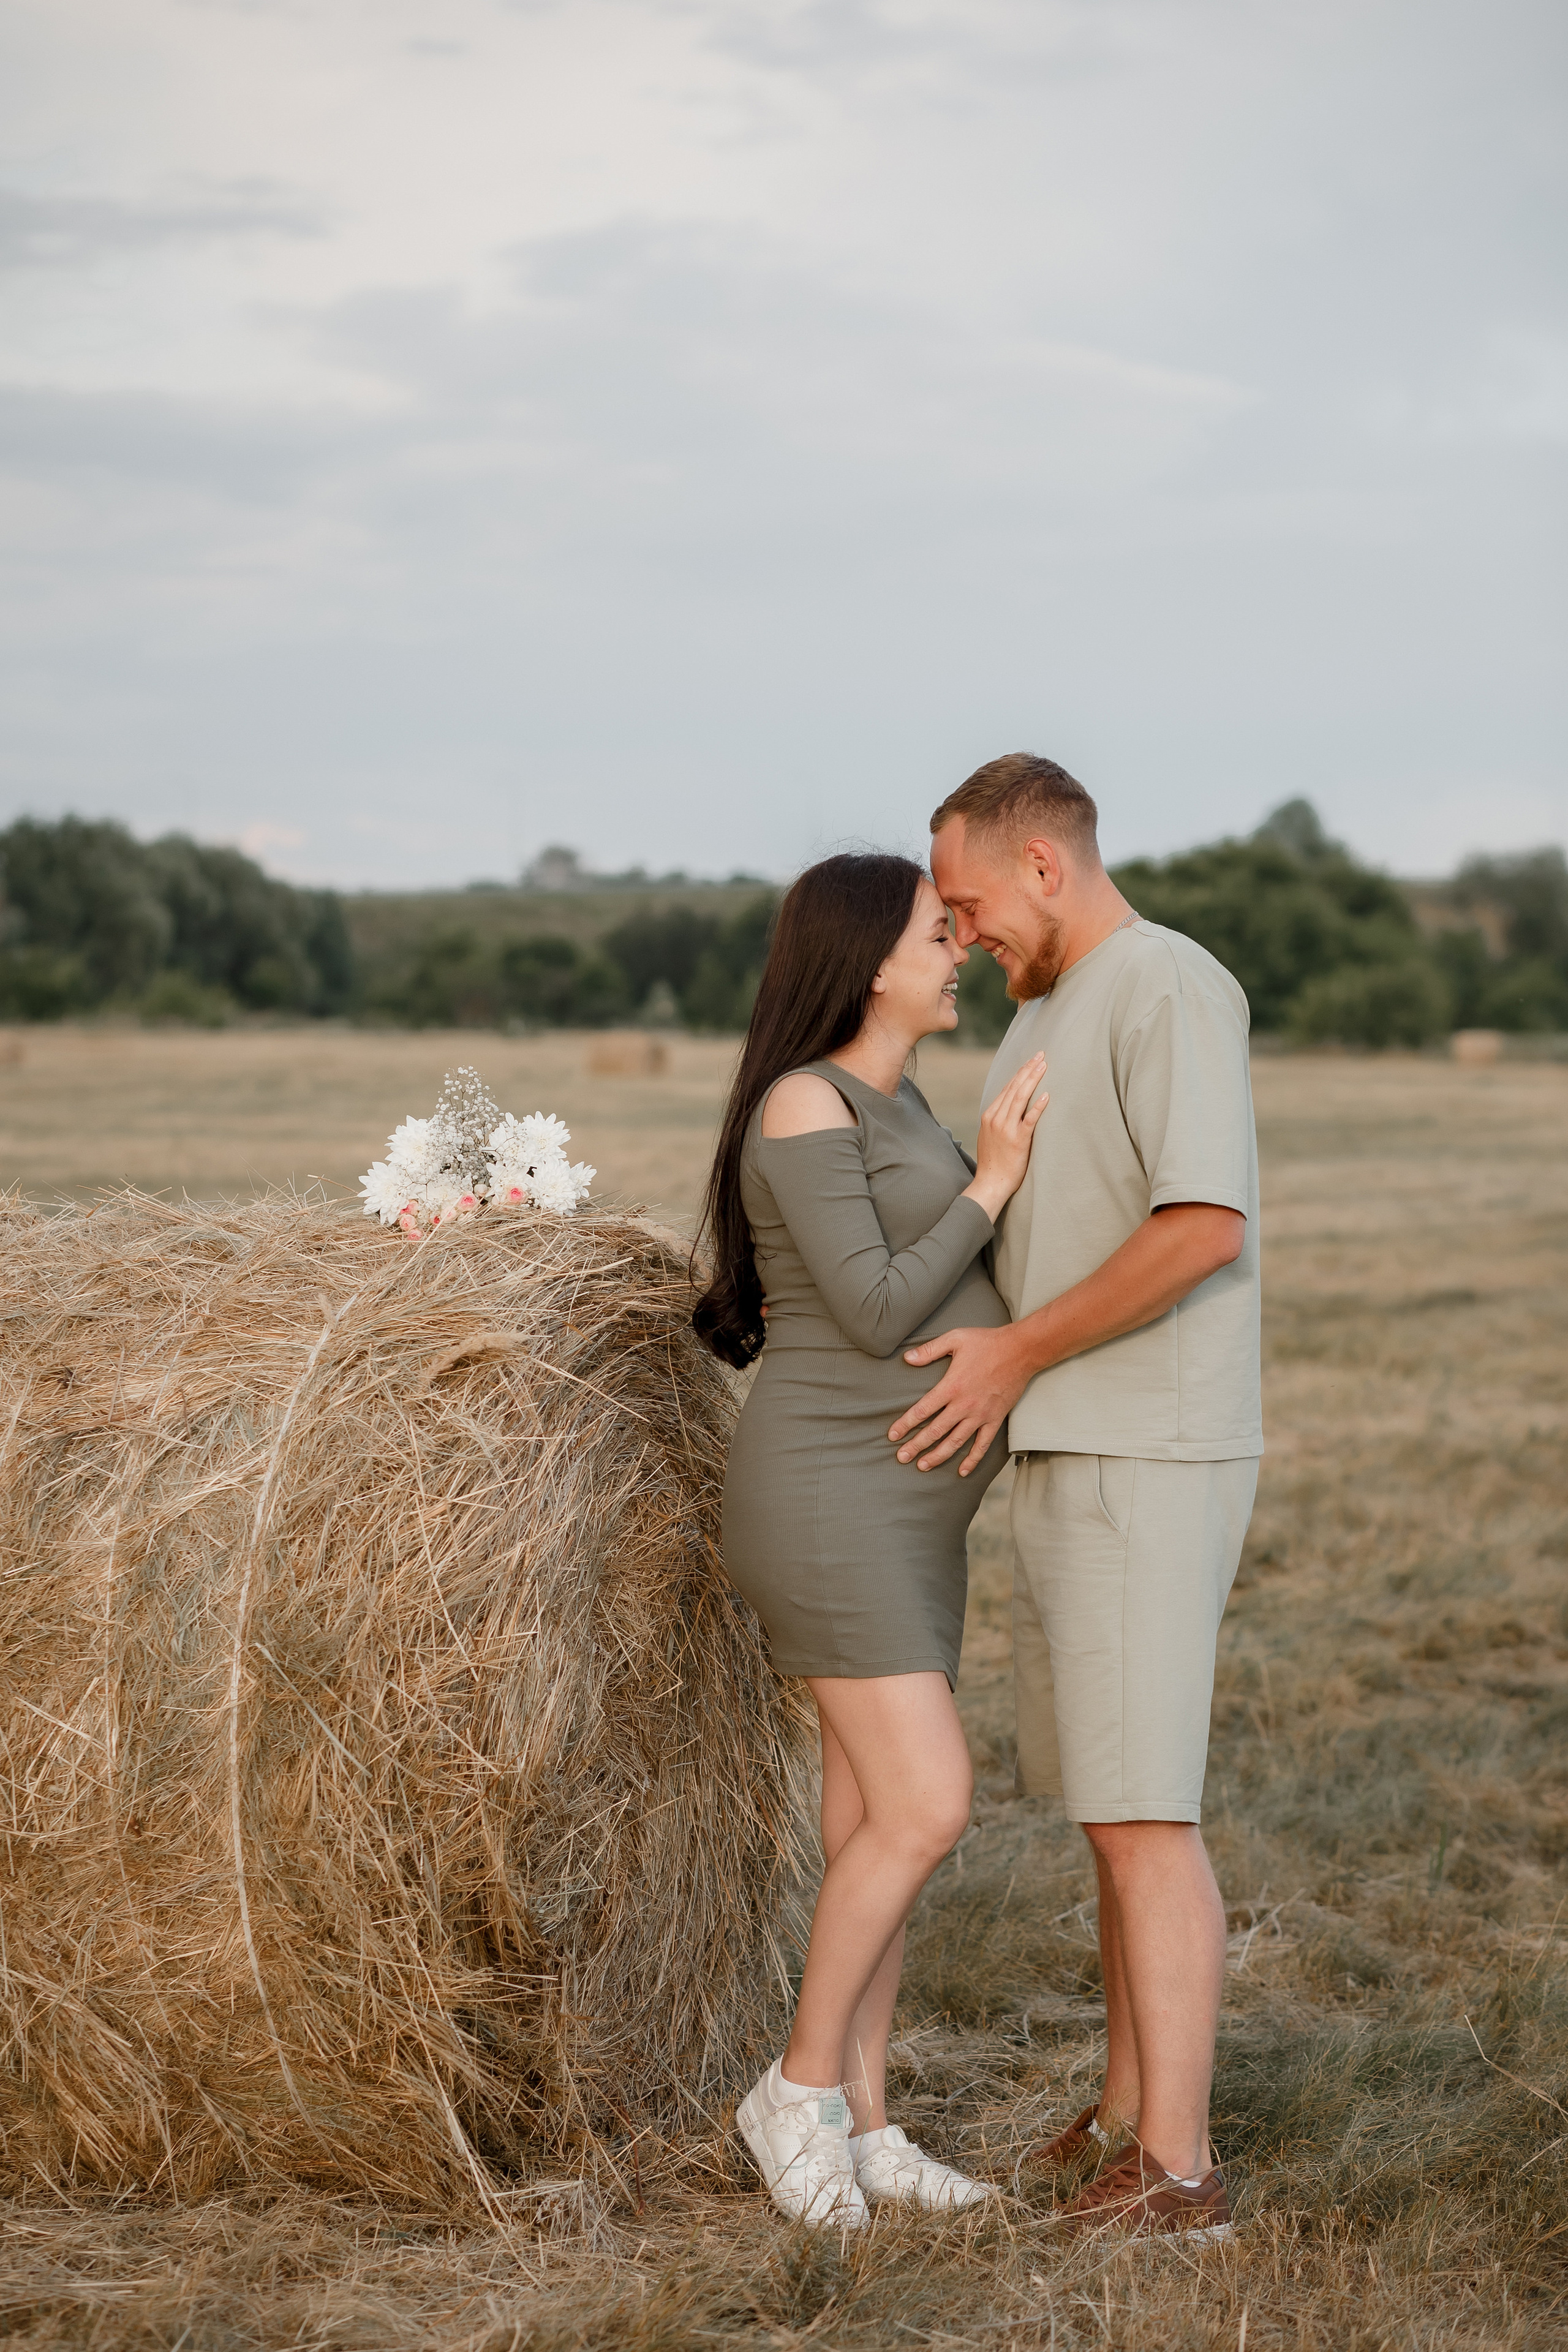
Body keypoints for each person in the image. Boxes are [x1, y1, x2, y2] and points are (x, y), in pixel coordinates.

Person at [891, 752, 1261, 2245]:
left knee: (1144, 1818)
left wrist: (1015, 1353)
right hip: (1066, 1444)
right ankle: (1122, 2118)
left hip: (1142, 1449)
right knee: (1108, 1807)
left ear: (1041, 865)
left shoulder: (1166, 984)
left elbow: (1202, 1228)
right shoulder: (1049, 1009)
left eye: (971, 904)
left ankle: (1174, 2175)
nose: (963, 935)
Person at [693, 850, 1049, 2229]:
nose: (956, 945)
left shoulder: (895, 1100)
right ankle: (793, 2094)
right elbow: (869, 1302)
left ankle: (872, 2123)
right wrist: (996, 1181)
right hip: (831, 1502)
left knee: (867, 1823)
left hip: (902, 1515)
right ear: (863, 957)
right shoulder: (801, 1100)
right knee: (923, 1806)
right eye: (931, 929)